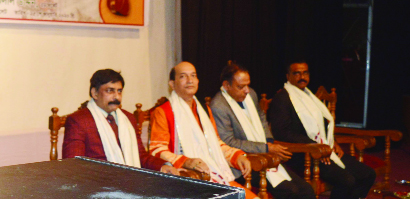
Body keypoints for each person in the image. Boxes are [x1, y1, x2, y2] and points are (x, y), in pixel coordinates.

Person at [267, 60, 376, 199]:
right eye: (297, 73)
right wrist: (315, 145)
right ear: (288, 76)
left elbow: (322, 126)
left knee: (368, 174)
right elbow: (282, 133)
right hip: (301, 154)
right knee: (347, 180)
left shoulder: (308, 95)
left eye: (305, 72)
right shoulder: (282, 98)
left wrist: (333, 142)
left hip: (325, 149)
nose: (302, 76)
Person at [149, 62, 258, 199]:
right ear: (172, 84)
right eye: (183, 76)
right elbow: (157, 151)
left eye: (193, 76)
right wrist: (186, 161)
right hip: (187, 180)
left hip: (215, 175)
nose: (190, 81)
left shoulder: (204, 110)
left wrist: (237, 156)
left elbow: (216, 145)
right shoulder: (163, 112)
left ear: (198, 81)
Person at [210, 61, 315, 199]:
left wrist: (269, 142)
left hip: (265, 155)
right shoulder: (218, 106)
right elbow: (229, 142)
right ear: (226, 86)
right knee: (291, 191)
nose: (247, 90)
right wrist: (265, 148)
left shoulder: (251, 94)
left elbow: (261, 118)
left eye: (248, 85)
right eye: (241, 87)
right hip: (243, 165)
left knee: (306, 190)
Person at [62, 69, 182, 175]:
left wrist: (163, 165)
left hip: (129, 183)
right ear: (95, 93)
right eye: (110, 91)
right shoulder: (79, 121)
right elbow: (74, 164)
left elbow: (141, 156)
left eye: (119, 91)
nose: (117, 97)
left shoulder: (128, 118)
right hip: (97, 185)